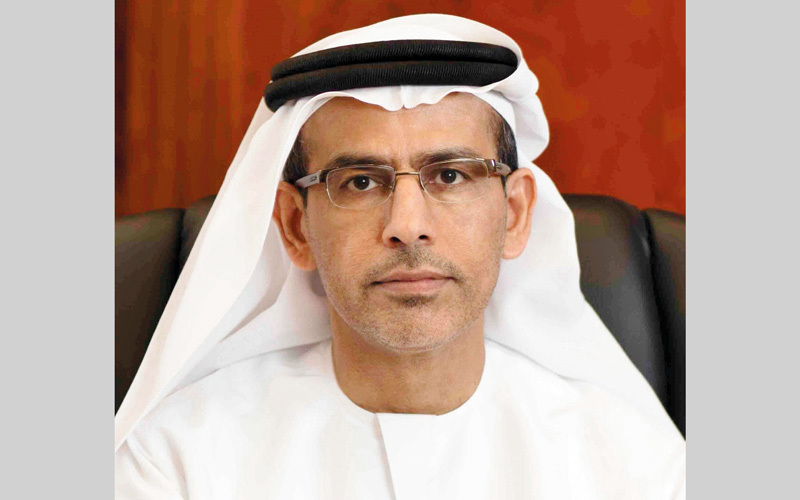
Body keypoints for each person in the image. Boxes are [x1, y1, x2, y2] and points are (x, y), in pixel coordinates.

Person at [115, 14, 686, 499]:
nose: (407, 227)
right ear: (295, 226)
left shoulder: (636, 468)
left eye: (451, 175)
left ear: (514, 214)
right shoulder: (175, 462)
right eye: (360, 182)